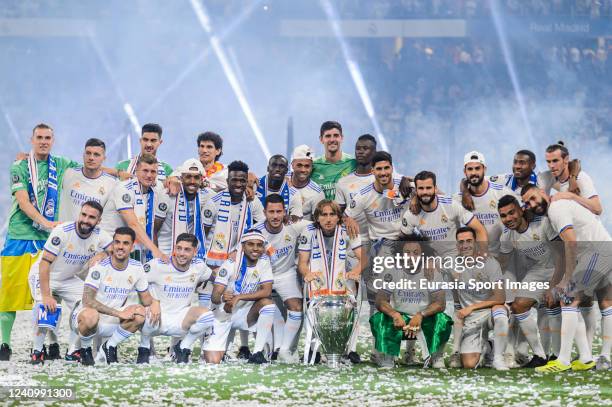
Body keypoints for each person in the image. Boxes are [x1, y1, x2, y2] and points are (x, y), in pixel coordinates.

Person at [0, 123, 80, 361]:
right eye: (39, 137)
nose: (44, 141)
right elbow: (23, 201)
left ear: (53, 141)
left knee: (49, 293)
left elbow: (90, 169)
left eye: (48, 138)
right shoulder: (20, 165)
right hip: (20, 236)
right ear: (31, 139)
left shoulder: (61, 165)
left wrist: (118, 173)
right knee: (9, 294)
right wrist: (45, 222)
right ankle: (4, 344)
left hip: (47, 240)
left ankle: (50, 343)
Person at [520, 184, 612, 372]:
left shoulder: (556, 209)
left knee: (568, 300)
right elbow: (563, 252)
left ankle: (563, 360)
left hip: (597, 252)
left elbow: (571, 242)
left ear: (543, 193)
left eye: (533, 198)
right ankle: (587, 358)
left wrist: (567, 279)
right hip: (601, 250)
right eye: (527, 202)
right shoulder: (551, 216)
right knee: (595, 303)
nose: (531, 204)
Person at [28, 201, 112, 364]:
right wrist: (46, 296)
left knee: (88, 304)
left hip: (68, 279)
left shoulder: (101, 235)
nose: (86, 220)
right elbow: (44, 264)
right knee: (45, 307)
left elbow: (115, 251)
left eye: (92, 217)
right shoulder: (62, 231)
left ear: (98, 221)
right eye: (84, 215)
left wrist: (101, 255)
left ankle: (73, 350)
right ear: (79, 214)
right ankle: (37, 351)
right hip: (44, 275)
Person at [72, 227, 159, 365]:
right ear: (112, 245)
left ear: (132, 247)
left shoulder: (137, 268)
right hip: (87, 319)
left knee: (140, 314)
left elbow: (146, 299)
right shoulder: (99, 267)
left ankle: (109, 347)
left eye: (125, 243)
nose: (120, 247)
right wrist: (119, 313)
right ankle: (85, 350)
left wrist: (156, 303)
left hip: (113, 321)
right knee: (90, 316)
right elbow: (87, 301)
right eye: (117, 242)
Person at [497, 194, 562, 367]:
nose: (508, 219)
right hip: (538, 271)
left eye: (512, 213)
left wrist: (553, 286)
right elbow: (501, 263)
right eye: (503, 216)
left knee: (553, 303)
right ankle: (540, 355)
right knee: (518, 306)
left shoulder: (543, 223)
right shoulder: (507, 236)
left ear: (521, 209)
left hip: (560, 267)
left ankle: (556, 356)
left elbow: (562, 254)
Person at [370, 235, 452, 368]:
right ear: (400, 255)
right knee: (379, 319)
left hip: (423, 319)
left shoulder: (431, 271)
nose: (411, 256)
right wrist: (394, 314)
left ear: (422, 255)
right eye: (407, 252)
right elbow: (380, 300)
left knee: (442, 320)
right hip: (400, 319)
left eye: (416, 253)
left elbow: (441, 303)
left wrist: (420, 315)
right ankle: (389, 355)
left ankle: (437, 355)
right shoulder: (392, 270)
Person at [298, 200, 363, 363]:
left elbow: (364, 259)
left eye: (332, 214)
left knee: (352, 304)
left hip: (342, 280)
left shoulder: (347, 230)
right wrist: (307, 273)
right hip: (318, 281)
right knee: (312, 307)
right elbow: (302, 263)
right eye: (324, 215)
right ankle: (314, 350)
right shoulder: (308, 231)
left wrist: (356, 271)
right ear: (317, 218)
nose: (328, 219)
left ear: (338, 217)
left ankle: (350, 349)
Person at [202, 229, 276, 364]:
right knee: (213, 361)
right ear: (242, 246)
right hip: (223, 313)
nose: (255, 248)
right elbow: (214, 297)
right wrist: (223, 297)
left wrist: (239, 297)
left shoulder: (264, 263)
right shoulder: (229, 264)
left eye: (259, 245)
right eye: (251, 244)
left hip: (246, 314)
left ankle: (257, 354)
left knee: (268, 303)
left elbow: (267, 291)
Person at [138, 233, 214, 364]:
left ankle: (183, 347)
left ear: (195, 252)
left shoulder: (199, 266)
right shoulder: (158, 265)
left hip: (181, 320)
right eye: (178, 248)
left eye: (187, 250)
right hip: (157, 318)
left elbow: (215, 277)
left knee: (208, 316)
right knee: (138, 313)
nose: (181, 253)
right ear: (174, 248)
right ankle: (144, 348)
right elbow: (136, 279)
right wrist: (153, 301)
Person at [254, 195, 309, 363]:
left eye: (279, 211)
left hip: (287, 273)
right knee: (259, 307)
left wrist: (346, 219)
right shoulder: (255, 231)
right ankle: (264, 346)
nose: (275, 216)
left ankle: (285, 350)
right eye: (271, 212)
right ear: (264, 212)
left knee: (296, 306)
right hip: (263, 276)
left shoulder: (294, 227)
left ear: (285, 212)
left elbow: (320, 222)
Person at [451, 227, 509, 370]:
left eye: (469, 241)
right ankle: (488, 345)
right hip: (471, 318)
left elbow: (500, 297)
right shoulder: (452, 264)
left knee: (500, 312)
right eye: (461, 242)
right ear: (457, 245)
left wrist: (471, 307)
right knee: (469, 364)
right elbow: (454, 292)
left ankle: (498, 358)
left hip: (490, 311)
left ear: (476, 242)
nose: (465, 245)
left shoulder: (489, 262)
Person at [400, 170, 488, 257]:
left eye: (428, 188)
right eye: (421, 188)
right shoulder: (411, 214)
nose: (425, 192)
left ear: (435, 188)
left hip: (457, 257)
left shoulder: (451, 205)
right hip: (432, 260)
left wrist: (483, 255)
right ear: (416, 190)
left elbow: (479, 229)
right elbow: (403, 242)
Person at [99, 153, 168, 262]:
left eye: (153, 171)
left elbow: (171, 183)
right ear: (136, 170)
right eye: (145, 170)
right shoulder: (124, 188)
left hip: (130, 248)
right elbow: (133, 224)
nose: (149, 175)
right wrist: (156, 251)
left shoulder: (156, 188)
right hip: (108, 246)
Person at [157, 159, 211, 259]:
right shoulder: (168, 195)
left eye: (196, 177)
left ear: (201, 180)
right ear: (181, 178)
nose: (192, 181)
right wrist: (156, 254)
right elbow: (154, 229)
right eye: (188, 177)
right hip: (164, 253)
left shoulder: (206, 196)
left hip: (187, 256)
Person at [58, 138, 117, 223]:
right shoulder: (68, 173)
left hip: (90, 234)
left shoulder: (111, 184)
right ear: (83, 155)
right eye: (88, 153)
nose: (91, 158)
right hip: (64, 234)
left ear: (104, 158)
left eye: (96, 154)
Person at [311, 121, 356, 200]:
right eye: (328, 136)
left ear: (341, 138)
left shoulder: (353, 163)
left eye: (336, 135)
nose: (332, 139)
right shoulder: (313, 165)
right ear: (321, 139)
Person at [256, 155, 303, 219]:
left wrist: (290, 219)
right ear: (268, 168)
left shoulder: (294, 194)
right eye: (274, 165)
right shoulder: (254, 186)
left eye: (281, 166)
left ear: (286, 170)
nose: (277, 169)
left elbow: (298, 219)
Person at [288, 145, 325, 221]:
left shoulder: (317, 193)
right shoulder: (281, 178)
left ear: (312, 167)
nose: (303, 170)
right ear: (292, 165)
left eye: (307, 166)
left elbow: (318, 223)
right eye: (299, 165)